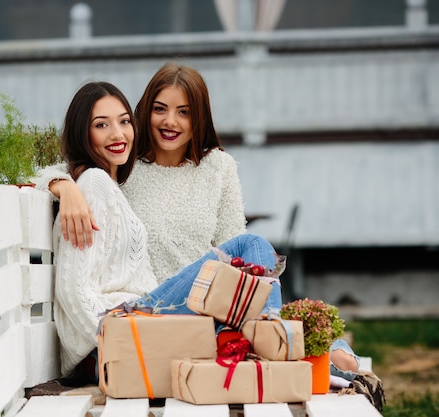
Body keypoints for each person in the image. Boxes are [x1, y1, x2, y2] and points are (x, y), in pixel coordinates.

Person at [39, 63, 359, 379]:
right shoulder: (124, 164)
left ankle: (281, 336)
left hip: (202, 308)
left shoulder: (217, 167)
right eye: (160, 109)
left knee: (249, 255)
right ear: (146, 111)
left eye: (184, 112)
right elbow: (57, 172)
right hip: (152, 313)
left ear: (199, 117)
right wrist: (62, 185)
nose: (170, 121)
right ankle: (283, 344)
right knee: (254, 246)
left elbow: (239, 259)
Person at [52, 81, 279, 381]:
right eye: (101, 125)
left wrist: (62, 183)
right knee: (249, 245)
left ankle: (285, 341)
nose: (117, 134)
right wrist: (112, 340)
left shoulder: (111, 184)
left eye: (123, 122)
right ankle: (277, 338)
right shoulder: (94, 183)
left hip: (141, 321)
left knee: (239, 297)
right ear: (83, 133)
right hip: (125, 330)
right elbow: (72, 288)